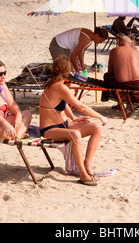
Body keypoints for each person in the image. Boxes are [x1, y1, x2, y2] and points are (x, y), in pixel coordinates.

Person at [39, 55, 107, 186]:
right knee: (75, 135)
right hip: (49, 130)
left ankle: (87, 165)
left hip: (64, 125)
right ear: (68, 72)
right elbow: (80, 106)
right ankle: (82, 173)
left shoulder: (57, 84)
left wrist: (74, 119)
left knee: (97, 128)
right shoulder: (57, 86)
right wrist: (100, 115)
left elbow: (62, 104)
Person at [103, 35, 139, 110]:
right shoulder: (137, 53)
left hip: (120, 84)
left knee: (106, 76)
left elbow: (110, 72)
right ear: (130, 43)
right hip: (138, 85)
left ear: (120, 42)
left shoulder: (115, 50)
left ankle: (120, 103)